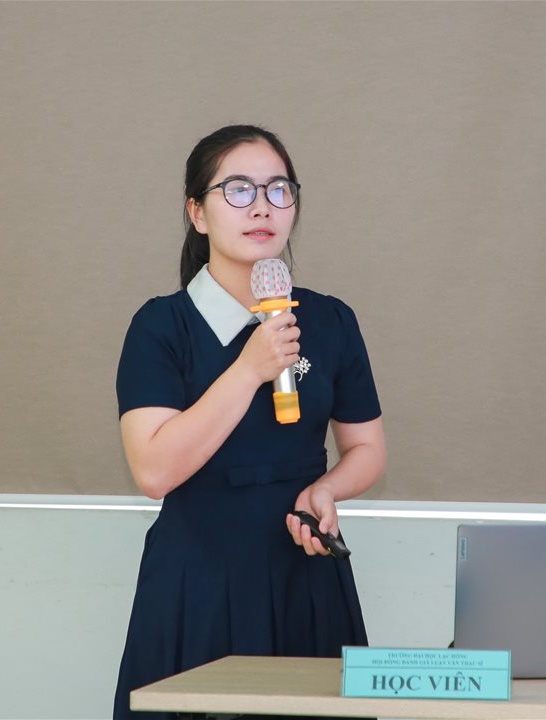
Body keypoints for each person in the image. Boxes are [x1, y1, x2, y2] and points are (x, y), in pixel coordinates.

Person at [113, 125, 386, 719]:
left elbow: (367, 448)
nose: (262, 206)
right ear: (198, 212)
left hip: (305, 575)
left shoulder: (330, 320)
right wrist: (248, 369)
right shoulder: (160, 327)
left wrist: (326, 489)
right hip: (199, 579)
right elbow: (154, 471)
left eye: (278, 189)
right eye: (238, 189)